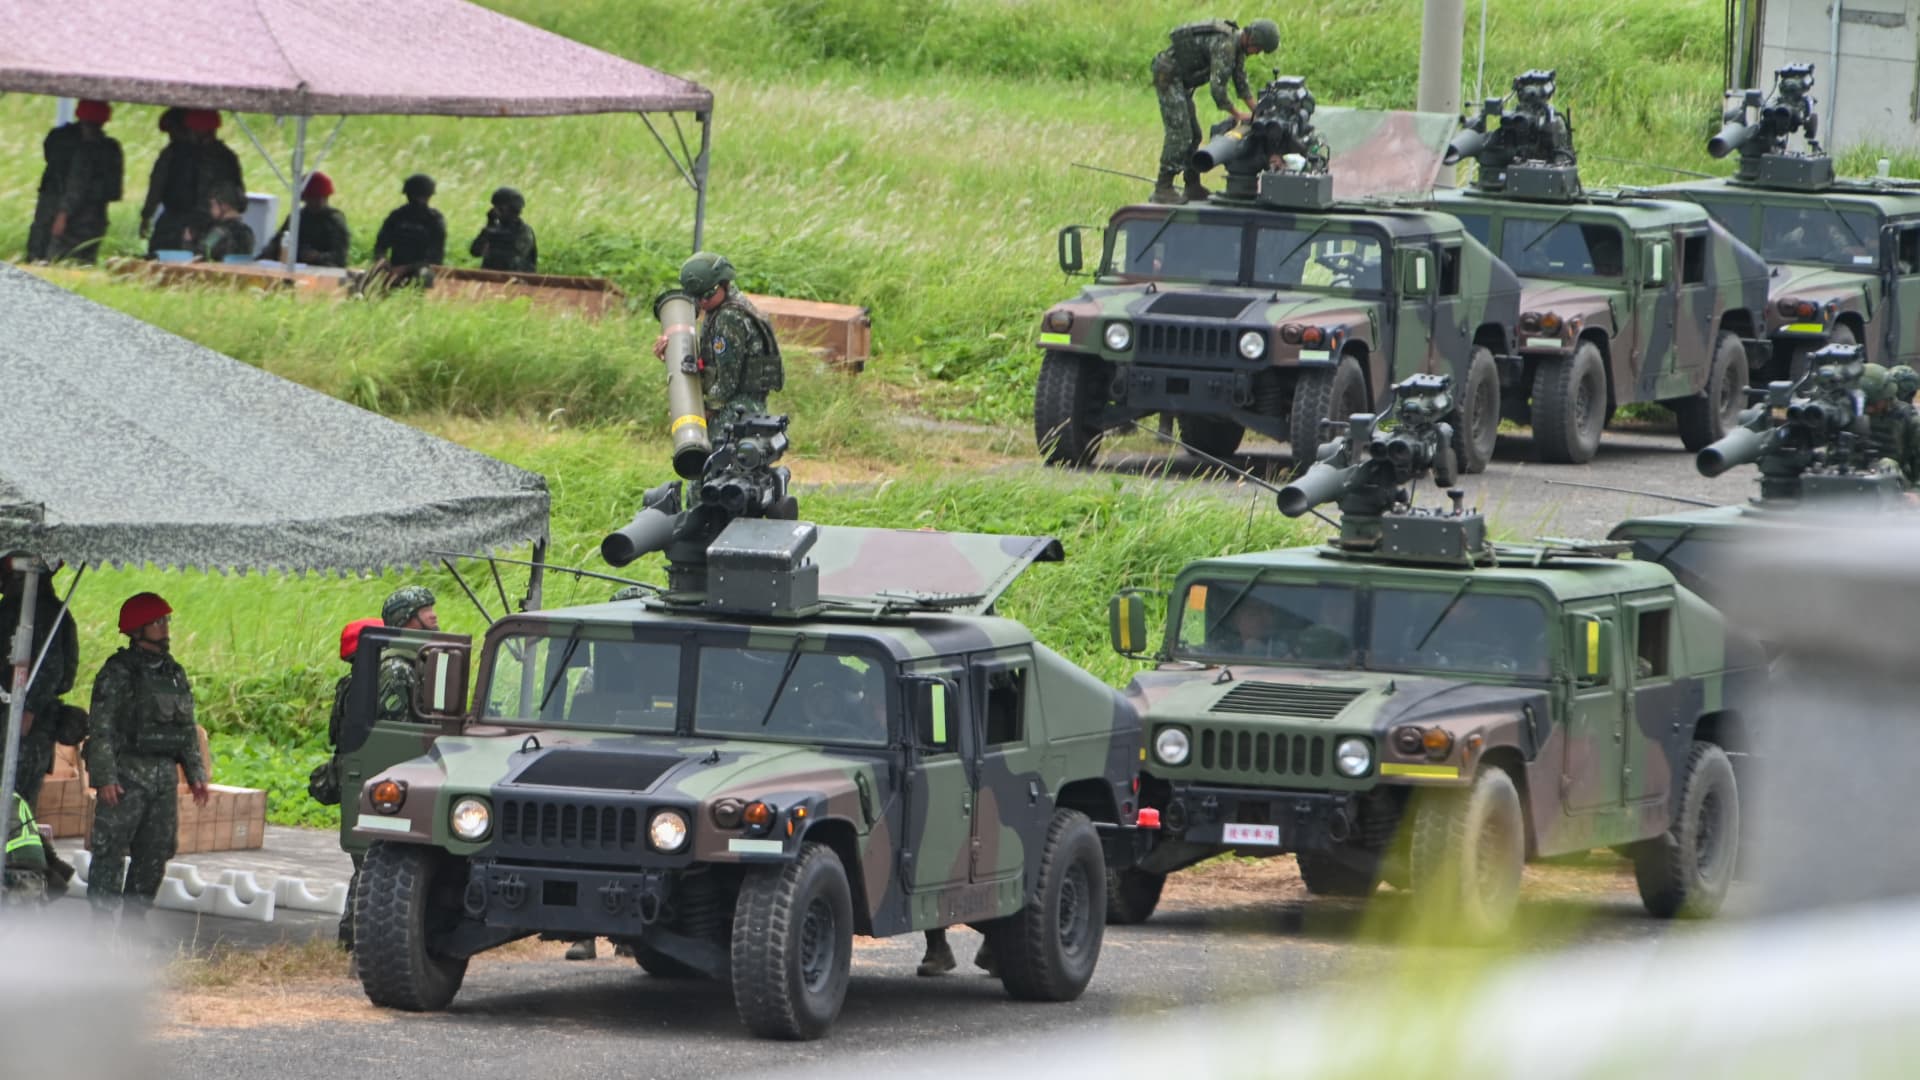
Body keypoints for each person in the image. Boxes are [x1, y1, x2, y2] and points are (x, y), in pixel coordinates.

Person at [85, 593, 211, 920]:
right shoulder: (118, 672)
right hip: (127, 774)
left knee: (157, 850)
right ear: (137, 629)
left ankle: (134, 920)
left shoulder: (174, 672)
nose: (165, 627)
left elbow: (186, 727)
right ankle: (102, 922)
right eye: (157, 622)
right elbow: (101, 727)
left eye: (166, 620)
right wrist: (105, 777)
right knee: (110, 848)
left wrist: (196, 773)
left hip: (163, 776)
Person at [1149, 17, 1279, 205]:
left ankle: (1192, 185)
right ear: (1251, 39)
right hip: (1169, 75)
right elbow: (1218, 89)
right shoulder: (1226, 45)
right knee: (1180, 133)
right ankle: (1163, 187)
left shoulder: (1238, 47)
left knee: (1194, 135)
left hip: (1181, 81)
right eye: (1258, 48)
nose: (1257, 53)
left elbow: (1241, 83)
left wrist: (1257, 111)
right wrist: (1237, 114)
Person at [652, 252, 785, 434]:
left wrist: (702, 410)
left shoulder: (728, 317)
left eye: (707, 295)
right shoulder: (723, 306)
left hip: (735, 410)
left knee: (710, 458)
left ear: (724, 284)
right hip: (739, 406)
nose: (702, 302)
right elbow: (710, 362)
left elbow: (726, 383)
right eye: (696, 297)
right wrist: (672, 352)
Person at [316, 617, 382, 950]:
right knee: (367, 862)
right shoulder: (363, 690)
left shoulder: (353, 685)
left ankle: (351, 936)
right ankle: (352, 937)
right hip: (360, 777)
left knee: (365, 861)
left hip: (353, 775)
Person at [0, 565, 81, 813]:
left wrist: (27, 712)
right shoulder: (20, 608)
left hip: (25, 725)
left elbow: (50, 668)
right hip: (18, 719)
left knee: (15, 808)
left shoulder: (37, 612)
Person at [141, 109, 244, 257]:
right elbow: (238, 195)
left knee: (161, 260)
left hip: (176, 224)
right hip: (210, 224)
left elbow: (156, 186)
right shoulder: (227, 157)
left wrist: (146, 215)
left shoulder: (174, 153)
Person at [42, 100, 124, 264]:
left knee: (56, 262)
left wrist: (62, 215)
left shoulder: (83, 150)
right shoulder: (112, 148)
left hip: (73, 218)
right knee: (85, 262)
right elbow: (115, 191)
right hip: (97, 216)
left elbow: (76, 186)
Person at [260, 171, 351, 267]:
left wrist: (318, 256)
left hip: (324, 270)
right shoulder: (297, 217)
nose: (316, 202)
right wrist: (266, 254)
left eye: (319, 198)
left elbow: (340, 256)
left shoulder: (334, 220)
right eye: (312, 198)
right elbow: (277, 242)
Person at [371, 174, 447, 287]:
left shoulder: (434, 220)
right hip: (393, 268)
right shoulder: (397, 216)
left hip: (420, 269)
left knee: (424, 275)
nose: (417, 200)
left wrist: (406, 268)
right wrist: (382, 261)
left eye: (420, 196)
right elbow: (381, 244)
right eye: (414, 196)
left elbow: (435, 257)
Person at [469, 186, 537, 273]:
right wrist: (489, 225)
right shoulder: (494, 229)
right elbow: (475, 251)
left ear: (512, 209)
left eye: (500, 208)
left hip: (517, 280)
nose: (496, 211)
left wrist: (490, 249)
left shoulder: (524, 231)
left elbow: (510, 260)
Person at [194, 184, 255, 262]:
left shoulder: (218, 232)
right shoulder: (248, 231)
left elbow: (201, 253)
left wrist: (188, 242)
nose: (211, 209)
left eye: (213, 204)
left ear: (225, 206)